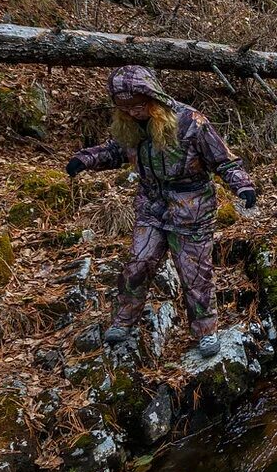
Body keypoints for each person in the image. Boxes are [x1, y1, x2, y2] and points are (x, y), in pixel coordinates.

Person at [66, 65, 256, 358]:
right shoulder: (128, 125)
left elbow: (224, 161)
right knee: (138, 263)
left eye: (140, 105)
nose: (134, 112)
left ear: (154, 97)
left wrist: (242, 186)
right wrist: (85, 160)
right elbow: (116, 150)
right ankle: (123, 321)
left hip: (192, 209)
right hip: (151, 207)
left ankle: (206, 331)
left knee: (194, 273)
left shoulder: (190, 122)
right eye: (126, 107)